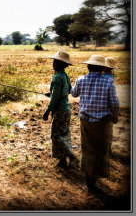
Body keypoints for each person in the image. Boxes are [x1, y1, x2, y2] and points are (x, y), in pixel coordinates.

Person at [71, 55, 120, 192]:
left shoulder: (81, 80)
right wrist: (114, 117)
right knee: (100, 150)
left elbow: (74, 94)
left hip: (85, 121)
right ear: (103, 68)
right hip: (102, 122)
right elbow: (115, 103)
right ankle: (95, 178)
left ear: (88, 66)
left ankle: (89, 180)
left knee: (87, 149)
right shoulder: (108, 82)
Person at [43, 50, 79, 169]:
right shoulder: (65, 76)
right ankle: (62, 161)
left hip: (59, 110)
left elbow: (54, 99)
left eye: (54, 61)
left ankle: (71, 156)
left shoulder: (57, 77)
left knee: (56, 136)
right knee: (63, 134)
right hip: (67, 109)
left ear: (58, 64)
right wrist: (53, 92)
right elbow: (68, 90)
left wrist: (47, 111)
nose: (52, 63)